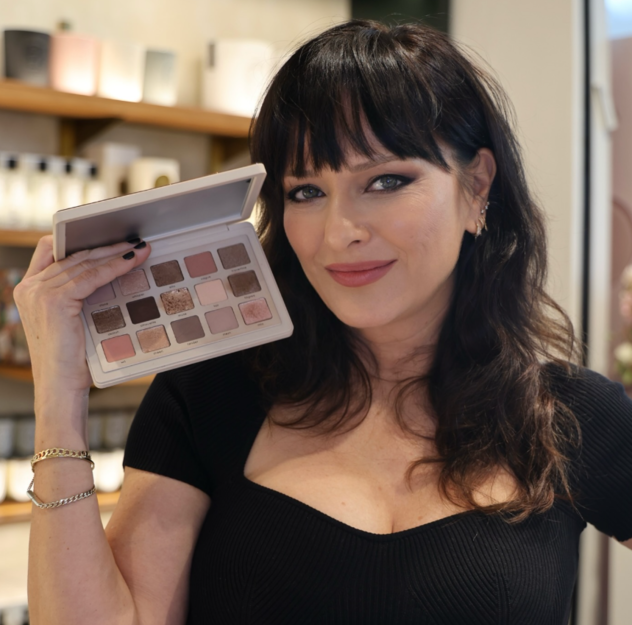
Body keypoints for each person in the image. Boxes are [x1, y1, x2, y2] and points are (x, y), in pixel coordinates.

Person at [15, 19, 632, 625]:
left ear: (477, 186)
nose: (339, 233)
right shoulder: (209, 393)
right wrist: (59, 396)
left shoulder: (571, 418)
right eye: (306, 192)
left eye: (386, 181)